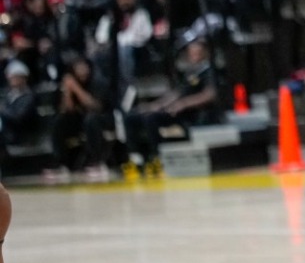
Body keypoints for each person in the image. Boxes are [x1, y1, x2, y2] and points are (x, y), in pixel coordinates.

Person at [126, 39, 223, 174]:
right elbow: (177, 93)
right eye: (191, 53)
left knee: (151, 119)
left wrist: (184, 104)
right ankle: (137, 158)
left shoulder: (209, 71)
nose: (194, 55)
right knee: (133, 117)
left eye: (197, 52)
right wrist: (154, 105)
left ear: (205, 53)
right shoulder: (190, 72)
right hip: (178, 110)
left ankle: (158, 157)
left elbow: (209, 95)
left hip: (196, 113)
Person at [50, 56, 114, 182]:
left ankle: (98, 162)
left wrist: (75, 88)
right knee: (59, 121)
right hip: (81, 119)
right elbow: (67, 110)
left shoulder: (98, 82)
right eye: (78, 68)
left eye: (83, 67)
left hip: (102, 119)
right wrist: (67, 91)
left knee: (91, 120)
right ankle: (63, 164)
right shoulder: (70, 83)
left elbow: (95, 106)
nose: (82, 70)